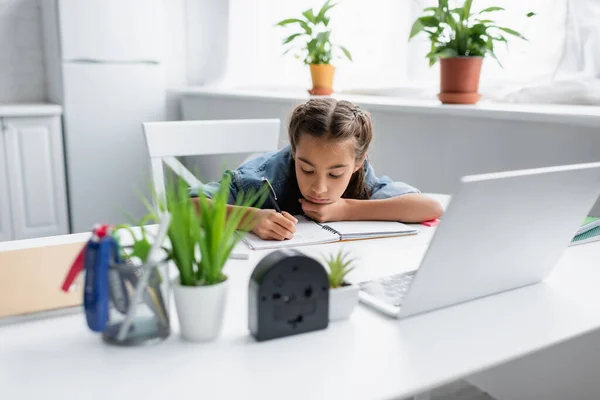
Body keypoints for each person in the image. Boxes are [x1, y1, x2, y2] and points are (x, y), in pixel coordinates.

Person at [192, 98, 443, 241]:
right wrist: (250, 218)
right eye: (307, 169)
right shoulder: (259, 179)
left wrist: (345, 209)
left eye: (335, 174)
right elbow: (185, 205)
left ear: (358, 163)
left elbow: (429, 207)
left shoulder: (361, 175)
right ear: (294, 152)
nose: (319, 188)